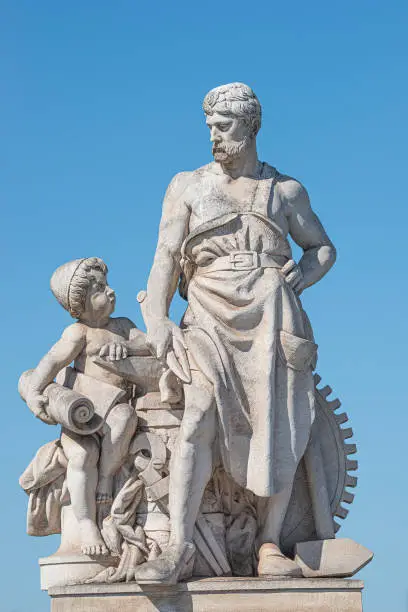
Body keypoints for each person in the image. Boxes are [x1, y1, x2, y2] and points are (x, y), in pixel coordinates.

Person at [135, 82, 337, 583]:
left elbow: (323, 249)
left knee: (281, 423)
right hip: (206, 308)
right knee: (199, 413)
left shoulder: (285, 191)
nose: (214, 138)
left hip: (274, 314)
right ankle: (178, 547)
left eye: (223, 127)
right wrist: (157, 317)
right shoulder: (187, 185)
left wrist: (301, 276)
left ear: (250, 126)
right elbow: (165, 255)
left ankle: (270, 545)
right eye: (209, 128)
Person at [26, 257, 150, 555]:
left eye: (106, 285)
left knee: (125, 419)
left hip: (115, 408)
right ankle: (86, 523)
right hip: (82, 415)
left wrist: (128, 347)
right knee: (82, 456)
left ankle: (106, 479)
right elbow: (51, 362)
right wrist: (33, 393)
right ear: (78, 305)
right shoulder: (77, 333)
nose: (109, 292)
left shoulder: (123, 327)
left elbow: (150, 344)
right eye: (98, 289)